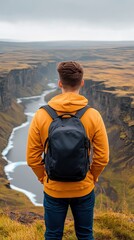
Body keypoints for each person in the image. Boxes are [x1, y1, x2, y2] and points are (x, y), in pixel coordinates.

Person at [26, 61, 109, 240]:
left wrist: (44, 178)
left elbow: (32, 157)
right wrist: (91, 177)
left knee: (53, 235)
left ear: (60, 83)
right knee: (85, 234)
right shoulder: (92, 115)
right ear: (82, 82)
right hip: (84, 189)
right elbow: (102, 157)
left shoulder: (42, 115)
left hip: (53, 189)